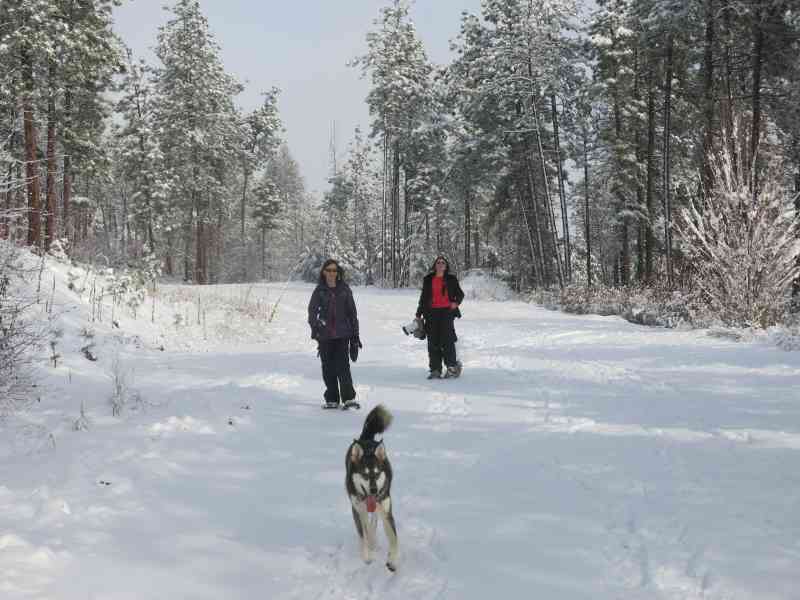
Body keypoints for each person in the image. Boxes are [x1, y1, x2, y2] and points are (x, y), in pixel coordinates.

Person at [308, 259, 362, 408]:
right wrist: (316, 327)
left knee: (343, 366)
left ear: (338, 273)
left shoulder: (344, 289)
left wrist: (355, 336)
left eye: (334, 270)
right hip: (325, 337)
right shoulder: (319, 291)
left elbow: (352, 314)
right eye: (329, 270)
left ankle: (348, 398)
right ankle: (332, 399)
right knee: (328, 367)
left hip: (342, 335)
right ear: (324, 272)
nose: (332, 273)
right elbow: (312, 312)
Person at [415, 255, 464, 379]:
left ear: (446, 266)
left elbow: (460, 294)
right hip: (431, 313)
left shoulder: (451, 279)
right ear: (435, 265)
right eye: (438, 262)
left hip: (447, 313)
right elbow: (423, 298)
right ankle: (435, 369)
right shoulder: (428, 279)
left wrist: (455, 303)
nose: (440, 264)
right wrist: (418, 314)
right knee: (433, 341)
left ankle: (452, 367)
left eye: (443, 262)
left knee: (447, 340)